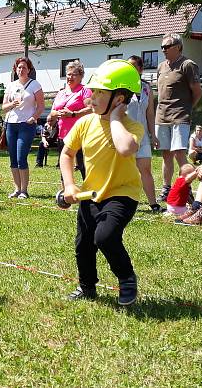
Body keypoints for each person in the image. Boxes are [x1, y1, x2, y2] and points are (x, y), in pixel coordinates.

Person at [61, 59, 143, 306]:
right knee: (83, 244)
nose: (93, 97)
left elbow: (125, 148)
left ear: (119, 99)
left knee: (105, 237)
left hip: (122, 194)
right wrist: (69, 185)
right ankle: (87, 286)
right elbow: (67, 153)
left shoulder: (131, 126)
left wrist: (116, 118)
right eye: (93, 91)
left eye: (100, 93)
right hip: (91, 194)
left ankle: (127, 279)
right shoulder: (85, 122)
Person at [155, 33, 202, 202]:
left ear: (178, 47)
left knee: (179, 154)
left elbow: (197, 92)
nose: (163, 50)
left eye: (166, 46)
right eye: (162, 47)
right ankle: (166, 189)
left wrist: (187, 109)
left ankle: (186, 188)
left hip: (180, 117)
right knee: (166, 155)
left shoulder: (188, 65)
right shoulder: (161, 66)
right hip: (161, 117)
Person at [1, 56, 45, 199]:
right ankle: (17, 188)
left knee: (21, 158)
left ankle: (24, 190)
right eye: (19, 67)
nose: (21, 70)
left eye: (24, 67)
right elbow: (4, 107)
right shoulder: (11, 85)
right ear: (15, 69)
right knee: (13, 158)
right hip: (11, 124)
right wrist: (12, 104)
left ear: (29, 70)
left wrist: (34, 117)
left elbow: (41, 106)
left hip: (26, 125)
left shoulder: (35, 85)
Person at [125, 55, 162, 213]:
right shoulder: (122, 86)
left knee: (145, 170)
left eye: (134, 66)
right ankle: (125, 202)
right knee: (126, 171)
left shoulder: (147, 88)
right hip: (126, 135)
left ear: (141, 69)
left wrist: (153, 134)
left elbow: (150, 113)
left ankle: (153, 203)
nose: (130, 69)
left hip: (144, 136)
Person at [48, 59, 92, 179]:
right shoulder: (61, 93)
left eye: (74, 74)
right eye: (68, 74)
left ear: (81, 76)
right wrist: (54, 115)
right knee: (64, 167)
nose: (70, 77)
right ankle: (66, 194)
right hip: (63, 135)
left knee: (83, 167)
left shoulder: (85, 91)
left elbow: (91, 109)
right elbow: (53, 111)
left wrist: (73, 114)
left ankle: (89, 195)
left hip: (80, 135)